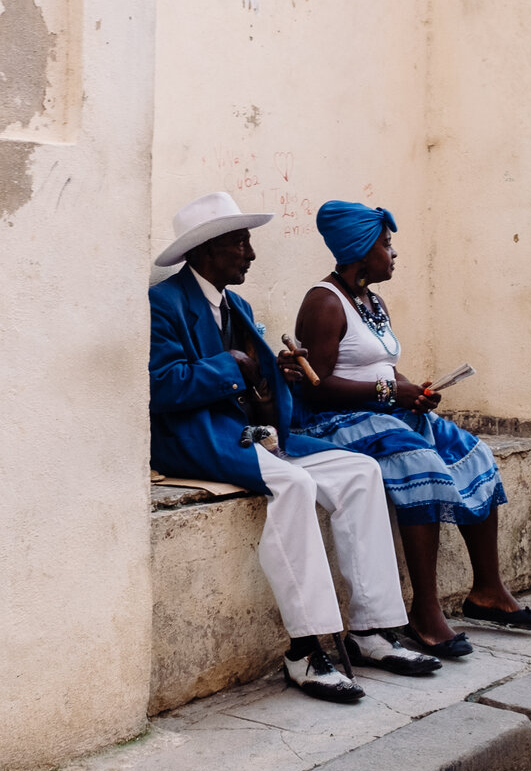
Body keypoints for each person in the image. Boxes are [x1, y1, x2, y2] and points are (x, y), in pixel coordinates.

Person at [149, 192, 440, 704]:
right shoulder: (164, 303)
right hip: (194, 438)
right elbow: (161, 387)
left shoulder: (236, 305)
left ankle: (372, 629)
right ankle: (305, 650)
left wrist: (275, 377)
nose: (252, 255)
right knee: (294, 482)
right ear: (206, 250)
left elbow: (259, 392)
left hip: (247, 434)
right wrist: (233, 366)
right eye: (241, 243)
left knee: (360, 471)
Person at [290, 200, 531, 659]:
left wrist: (411, 390)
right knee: (422, 466)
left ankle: (488, 591)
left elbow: (381, 366)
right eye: (386, 245)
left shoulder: (372, 300)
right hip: (336, 423)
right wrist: (387, 393)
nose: (393, 254)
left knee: (475, 454)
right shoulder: (324, 302)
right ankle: (425, 611)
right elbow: (316, 389)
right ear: (361, 251)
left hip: (383, 412)